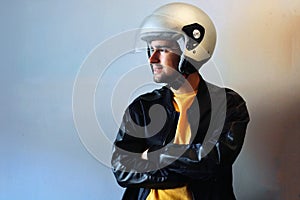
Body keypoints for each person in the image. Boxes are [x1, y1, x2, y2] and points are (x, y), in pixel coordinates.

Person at [111, 2, 250, 200]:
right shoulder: (142, 107)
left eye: (163, 50)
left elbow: (213, 162)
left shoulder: (229, 105)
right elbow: (121, 168)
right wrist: (185, 162)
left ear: (191, 51)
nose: (152, 59)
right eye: (151, 49)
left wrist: (149, 157)